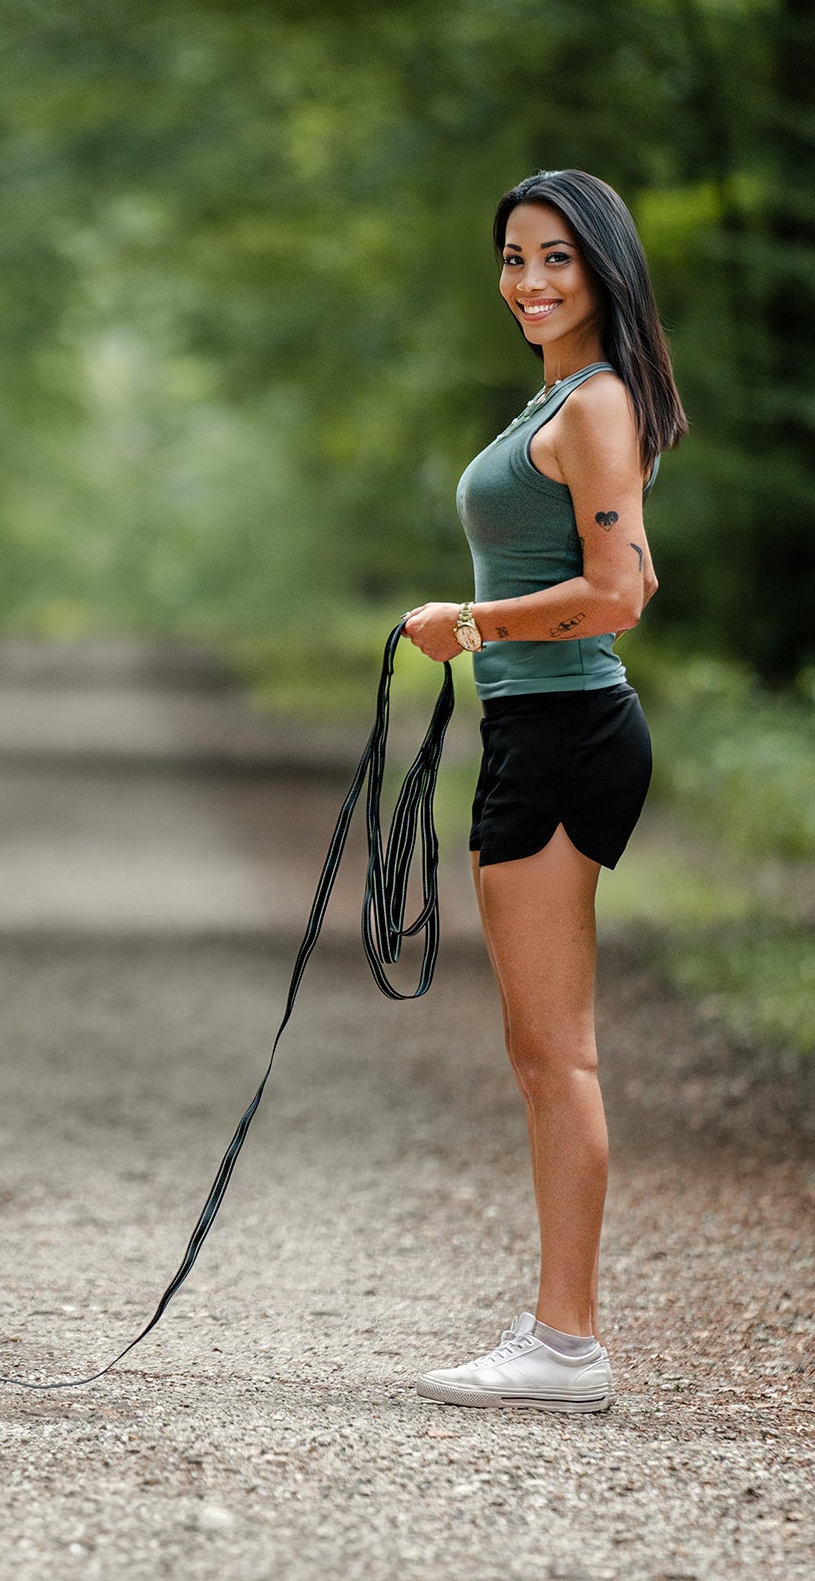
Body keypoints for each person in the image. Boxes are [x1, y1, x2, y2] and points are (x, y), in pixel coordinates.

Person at [402, 169, 687, 1413]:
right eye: (513, 257)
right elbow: (626, 570)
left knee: (555, 1056)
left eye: (556, 257)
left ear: (603, 267)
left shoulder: (599, 400)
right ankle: (556, 1334)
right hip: (539, 723)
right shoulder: (567, 397)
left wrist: (467, 621)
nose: (529, 281)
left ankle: (564, 1342)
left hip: (565, 727)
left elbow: (619, 592)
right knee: (539, 1052)